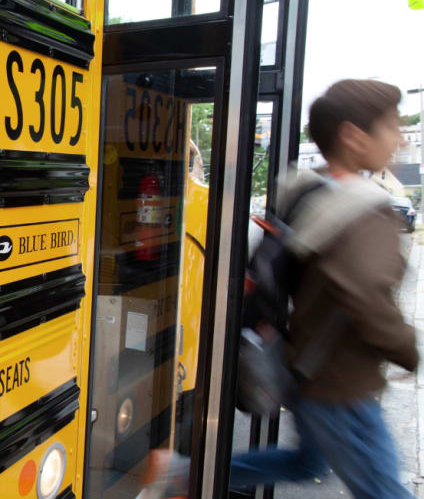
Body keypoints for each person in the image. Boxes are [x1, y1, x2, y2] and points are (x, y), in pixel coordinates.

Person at [143, 79, 419, 499]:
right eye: (391, 127)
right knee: (384, 492)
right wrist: (407, 350)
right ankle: (179, 474)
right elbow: (367, 297)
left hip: (302, 369)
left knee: (308, 461)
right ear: (353, 135)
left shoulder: (305, 191)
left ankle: (180, 474)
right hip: (343, 385)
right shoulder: (365, 210)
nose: (399, 140)